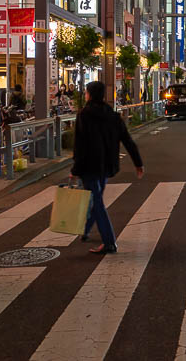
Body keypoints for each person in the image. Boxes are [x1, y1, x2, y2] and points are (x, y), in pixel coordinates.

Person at [71, 81, 144, 254]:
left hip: (89, 166)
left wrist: (75, 169)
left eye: (86, 92)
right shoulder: (112, 115)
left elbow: (80, 146)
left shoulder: (84, 115)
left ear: (89, 94)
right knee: (95, 198)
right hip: (106, 165)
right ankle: (86, 229)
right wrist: (138, 162)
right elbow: (127, 140)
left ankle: (109, 241)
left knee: (96, 201)